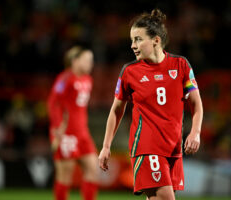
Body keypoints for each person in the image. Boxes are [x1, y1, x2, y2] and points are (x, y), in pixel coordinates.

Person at [98, 9, 203, 200]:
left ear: (156, 40)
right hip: (146, 147)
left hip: (173, 148)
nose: (132, 45)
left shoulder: (181, 65)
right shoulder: (130, 71)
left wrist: (195, 132)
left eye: (138, 39)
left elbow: (196, 103)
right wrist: (106, 146)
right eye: (132, 40)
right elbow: (116, 110)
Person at [47, 46, 98, 200]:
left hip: (82, 132)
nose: (91, 64)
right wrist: (57, 127)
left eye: (91, 60)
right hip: (66, 133)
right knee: (65, 176)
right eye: (87, 60)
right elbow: (53, 103)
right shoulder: (65, 78)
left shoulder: (88, 79)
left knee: (93, 169)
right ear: (75, 61)